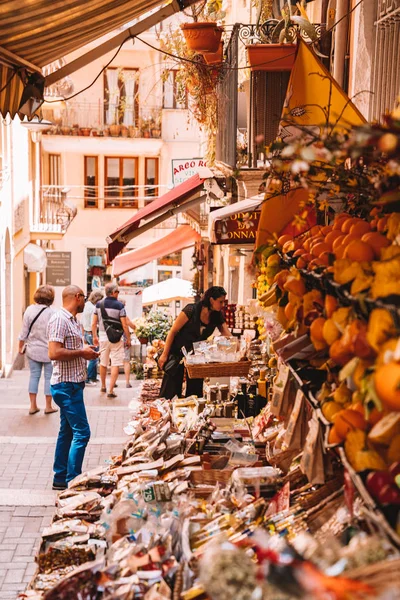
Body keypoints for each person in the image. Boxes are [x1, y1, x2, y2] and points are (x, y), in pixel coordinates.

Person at [47, 285, 99, 491]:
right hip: (66, 386)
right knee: (82, 433)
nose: (84, 302)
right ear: (77, 297)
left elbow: (73, 349)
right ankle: (73, 481)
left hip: (73, 384)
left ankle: (60, 477)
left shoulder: (72, 320)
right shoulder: (59, 319)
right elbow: (54, 352)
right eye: (83, 298)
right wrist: (81, 353)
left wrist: (88, 352)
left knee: (67, 432)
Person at [158, 286, 231, 399]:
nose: (223, 305)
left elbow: (228, 336)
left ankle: (192, 415)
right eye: (220, 302)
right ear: (211, 300)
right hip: (177, 353)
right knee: (170, 392)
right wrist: (164, 355)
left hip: (197, 357)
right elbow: (172, 331)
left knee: (195, 394)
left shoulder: (217, 316)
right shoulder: (191, 310)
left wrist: (238, 348)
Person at [18, 285, 58, 416]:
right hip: (49, 351)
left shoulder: (29, 310)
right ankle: (48, 406)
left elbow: (23, 332)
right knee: (49, 378)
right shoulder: (53, 313)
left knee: (34, 376)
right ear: (51, 298)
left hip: (33, 350)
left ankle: (33, 405)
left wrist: (20, 346)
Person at [92, 282, 131, 398]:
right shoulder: (120, 306)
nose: (118, 294)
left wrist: (95, 336)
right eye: (117, 292)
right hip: (116, 338)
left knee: (103, 363)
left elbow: (93, 323)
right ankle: (110, 390)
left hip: (103, 337)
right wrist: (128, 338)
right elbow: (124, 325)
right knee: (115, 363)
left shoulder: (99, 305)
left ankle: (103, 386)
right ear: (114, 292)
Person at [80, 290, 104, 385]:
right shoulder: (93, 308)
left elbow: (82, 321)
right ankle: (88, 378)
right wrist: (95, 336)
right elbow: (93, 324)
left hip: (86, 332)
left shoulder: (86, 305)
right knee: (94, 357)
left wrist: (83, 335)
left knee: (93, 356)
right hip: (91, 333)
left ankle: (93, 377)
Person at [120, 299, 136, 388]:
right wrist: (136, 327)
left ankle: (113, 382)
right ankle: (127, 382)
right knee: (126, 361)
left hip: (115, 339)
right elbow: (130, 325)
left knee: (116, 361)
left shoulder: (113, 314)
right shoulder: (124, 315)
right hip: (124, 339)